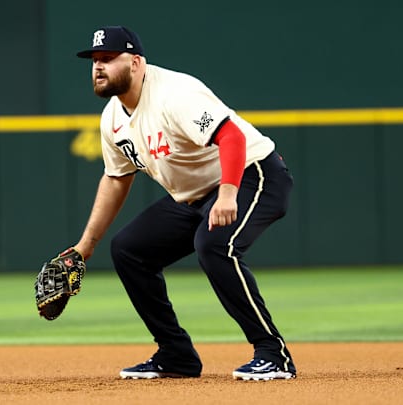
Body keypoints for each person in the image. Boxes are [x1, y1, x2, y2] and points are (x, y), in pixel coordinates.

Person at [72, 25, 297, 381]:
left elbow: (231, 137)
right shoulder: (112, 118)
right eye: (95, 60)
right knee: (129, 250)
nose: (98, 66)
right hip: (196, 195)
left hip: (254, 175)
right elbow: (116, 178)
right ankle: (176, 356)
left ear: (136, 63)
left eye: (108, 59)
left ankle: (273, 353)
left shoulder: (174, 94)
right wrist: (85, 247)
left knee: (215, 245)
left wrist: (227, 194)